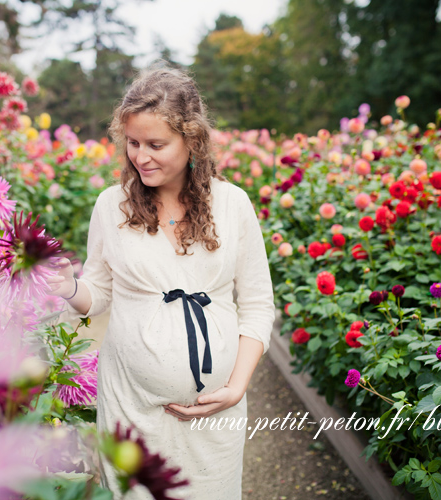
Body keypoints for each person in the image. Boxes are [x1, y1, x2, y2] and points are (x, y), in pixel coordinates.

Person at [47, 63, 275, 499]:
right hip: (132, 411)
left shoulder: (233, 204)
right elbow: (98, 294)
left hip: (215, 419)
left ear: (191, 141)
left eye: (156, 144)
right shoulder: (111, 206)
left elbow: (259, 306)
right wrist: (68, 288)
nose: (140, 156)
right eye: (132, 143)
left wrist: (235, 387)